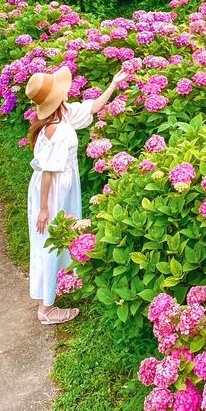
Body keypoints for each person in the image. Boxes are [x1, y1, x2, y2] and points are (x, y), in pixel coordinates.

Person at [24, 65, 127, 324]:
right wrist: (44, 208)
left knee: (53, 239)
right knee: (50, 240)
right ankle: (46, 310)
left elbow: (91, 108)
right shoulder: (58, 129)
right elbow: (48, 171)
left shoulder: (62, 115)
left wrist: (114, 84)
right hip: (52, 190)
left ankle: (48, 293)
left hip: (59, 186)